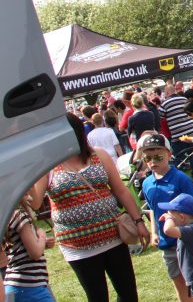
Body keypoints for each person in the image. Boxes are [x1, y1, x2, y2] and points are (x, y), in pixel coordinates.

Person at [29, 113, 148, 302]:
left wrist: (138, 220)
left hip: (114, 237)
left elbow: (121, 191)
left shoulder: (98, 155)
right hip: (78, 247)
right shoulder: (49, 165)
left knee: (128, 294)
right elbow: (35, 203)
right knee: (97, 297)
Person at [139, 134, 193, 302]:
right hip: (167, 243)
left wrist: (179, 226)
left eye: (158, 156)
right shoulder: (147, 183)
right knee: (178, 281)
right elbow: (152, 209)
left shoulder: (181, 179)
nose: (153, 162)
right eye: (148, 158)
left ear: (169, 154)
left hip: (185, 240)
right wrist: (154, 232)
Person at [3, 195, 55, 302]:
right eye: (27, 192)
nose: (30, 196)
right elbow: (35, 253)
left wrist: (42, 244)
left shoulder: (6, 216)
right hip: (29, 285)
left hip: (15, 285)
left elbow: (19, 247)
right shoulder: (19, 215)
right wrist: (42, 236)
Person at [160, 85, 193, 179]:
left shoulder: (165, 104)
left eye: (165, 93)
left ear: (168, 93)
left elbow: (160, 118)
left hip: (177, 134)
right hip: (190, 130)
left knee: (177, 156)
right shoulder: (185, 99)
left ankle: (179, 176)